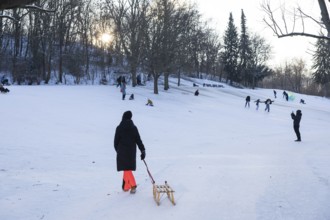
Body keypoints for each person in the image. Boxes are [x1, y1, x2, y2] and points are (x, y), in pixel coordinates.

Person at [114, 111, 146, 194]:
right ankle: (126, 187)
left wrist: (118, 150)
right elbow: (138, 140)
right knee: (126, 168)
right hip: (131, 152)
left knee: (126, 169)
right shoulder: (134, 128)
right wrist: (142, 150)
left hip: (122, 151)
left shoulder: (119, 128)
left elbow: (115, 142)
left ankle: (133, 185)